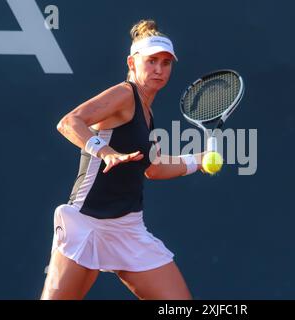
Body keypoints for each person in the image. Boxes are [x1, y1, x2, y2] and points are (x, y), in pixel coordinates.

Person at [41, 19, 206, 300]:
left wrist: (197, 161)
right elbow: (70, 122)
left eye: (166, 63)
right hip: (87, 222)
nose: (159, 69)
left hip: (127, 228)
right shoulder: (124, 94)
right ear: (132, 62)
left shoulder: (147, 112)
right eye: (152, 61)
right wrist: (105, 152)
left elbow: (152, 168)